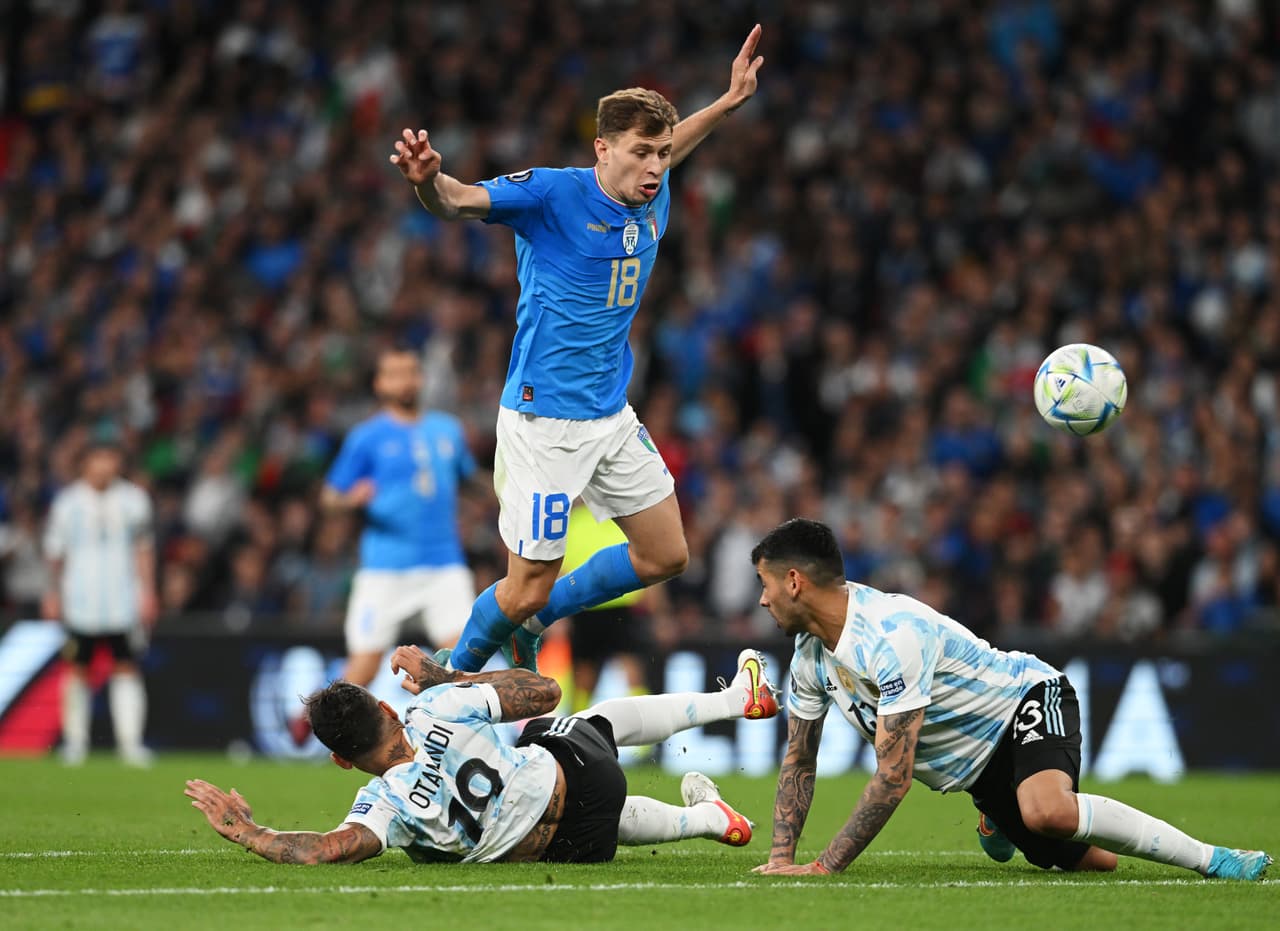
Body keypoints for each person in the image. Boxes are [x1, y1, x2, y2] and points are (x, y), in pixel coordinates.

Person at [389, 26, 766, 675]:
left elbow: (685, 139)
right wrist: (429, 181)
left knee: (666, 554)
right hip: (543, 422)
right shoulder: (550, 193)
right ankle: (452, 673)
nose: (655, 167)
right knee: (526, 581)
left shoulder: (656, 184)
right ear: (602, 148)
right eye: (642, 153)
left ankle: (535, 619)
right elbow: (456, 200)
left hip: (608, 411)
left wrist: (729, 102)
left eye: (662, 154)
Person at [747, 518, 1272, 882]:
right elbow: (799, 760)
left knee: (1048, 812)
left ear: (794, 581)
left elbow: (893, 776)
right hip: (978, 772)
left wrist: (824, 867)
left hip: (1025, 699)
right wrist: (780, 858)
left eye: (764, 583)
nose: (763, 598)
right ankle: (994, 814)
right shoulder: (810, 658)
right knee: (1099, 864)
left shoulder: (892, 634)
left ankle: (1213, 858)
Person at [185, 646, 780, 864]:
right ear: (389, 711)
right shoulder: (435, 707)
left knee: (544, 756)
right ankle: (734, 701)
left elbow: (326, 849)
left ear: (342, 760)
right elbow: (544, 689)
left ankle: (706, 821)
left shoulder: (383, 803)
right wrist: (449, 675)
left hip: (562, 849)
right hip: (584, 784)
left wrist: (247, 831)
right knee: (591, 718)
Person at [321, 346, 480, 688]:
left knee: (462, 666)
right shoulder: (366, 437)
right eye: (395, 374)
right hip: (385, 567)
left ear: (421, 378)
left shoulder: (448, 430)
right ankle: (333, 739)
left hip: (444, 564)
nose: (405, 381)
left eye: (411, 372)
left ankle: (455, 740)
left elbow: (471, 480)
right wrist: (350, 500)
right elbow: (329, 497)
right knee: (362, 668)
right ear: (380, 384)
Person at [42, 440, 158, 766]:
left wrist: (148, 591)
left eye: (110, 458)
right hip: (80, 601)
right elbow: (55, 555)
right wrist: (52, 594)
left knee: (126, 666)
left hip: (123, 600)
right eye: (98, 458)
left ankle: (130, 745)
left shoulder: (134, 500)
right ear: (85, 463)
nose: (105, 465)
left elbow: (144, 549)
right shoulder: (68, 503)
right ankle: (75, 743)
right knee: (77, 669)